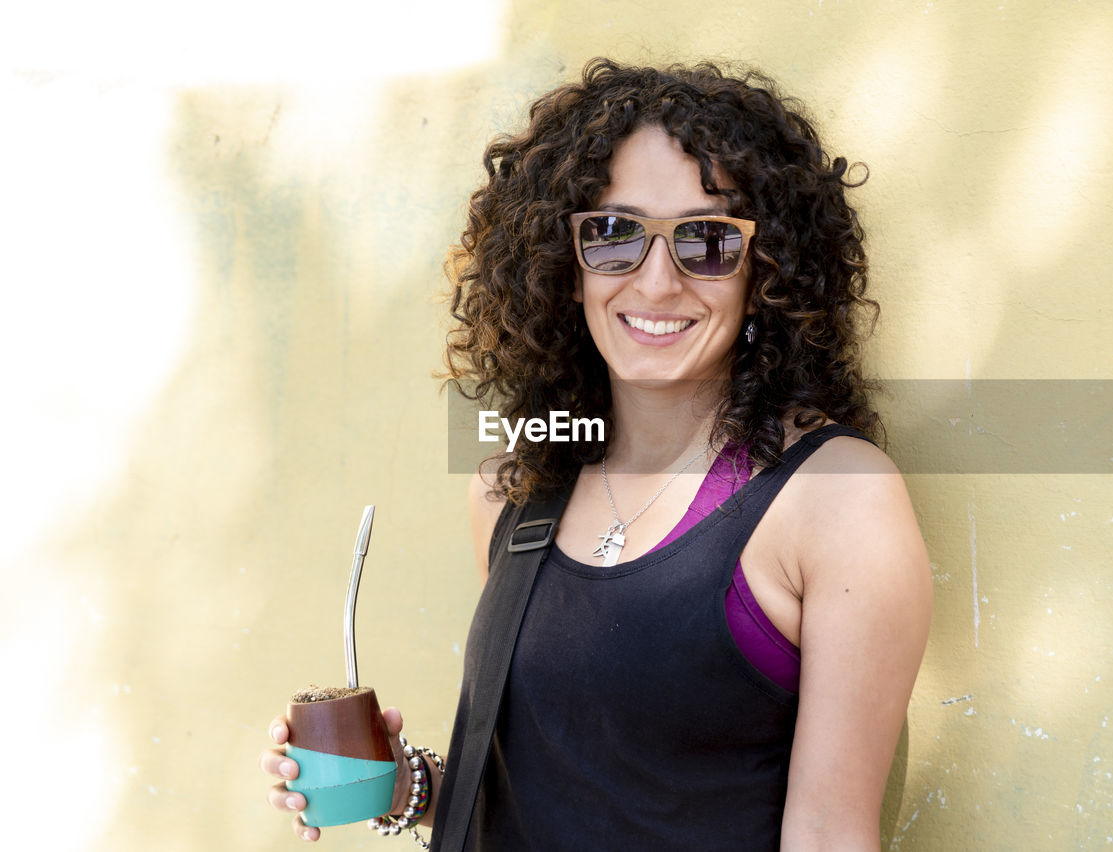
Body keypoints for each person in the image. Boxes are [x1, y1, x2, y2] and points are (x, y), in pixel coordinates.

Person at [262, 57, 931, 850]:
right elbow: (555, 792)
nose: (655, 283)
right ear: (563, 263)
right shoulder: (513, 486)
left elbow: (828, 835)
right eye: (613, 234)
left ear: (768, 272)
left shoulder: (835, 498)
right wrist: (400, 783)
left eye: (707, 240)